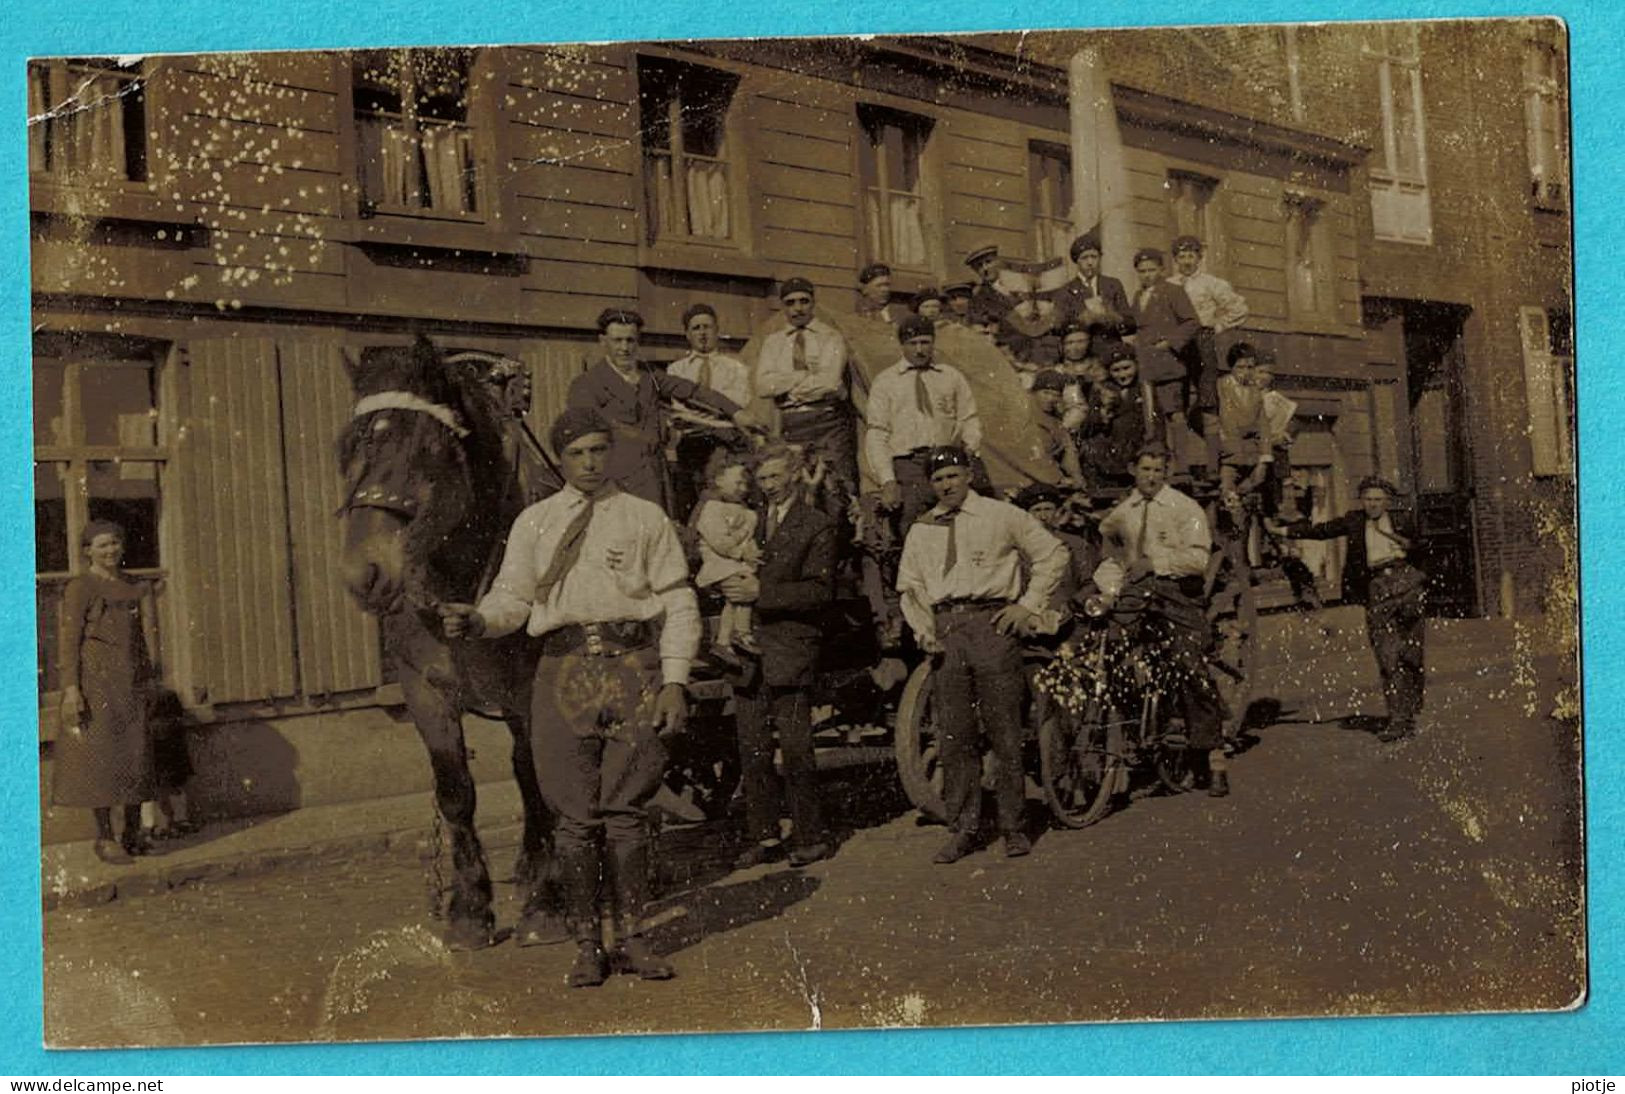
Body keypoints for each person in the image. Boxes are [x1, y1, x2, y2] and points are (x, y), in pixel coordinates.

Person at [438, 407, 698, 987]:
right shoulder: (535, 523)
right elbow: (513, 599)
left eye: (598, 451)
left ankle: (633, 937)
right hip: (562, 674)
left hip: (633, 670)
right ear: (560, 458)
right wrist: (478, 621)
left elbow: (678, 601)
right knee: (574, 821)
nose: (588, 463)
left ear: (610, 453)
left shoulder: (643, 517)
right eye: (576, 453)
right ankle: (587, 945)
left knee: (627, 813)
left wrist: (675, 679)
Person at [896, 446, 1067, 863]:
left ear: (969, 474)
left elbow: (1053, 554)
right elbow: (911, 587)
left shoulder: (1001, 515)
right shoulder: (922, 529)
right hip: (947, 631)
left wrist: (1026, 605)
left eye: (953, 476)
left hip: (992, 626)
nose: (946, 485)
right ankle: (964, 828)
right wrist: (923, 630)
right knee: (954, 735)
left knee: (1003, 730)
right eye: (938, 480)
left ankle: (1013, 827)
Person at [1093, 445, 1229, 796]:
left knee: (1189, 663)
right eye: (1145, 469)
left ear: (1166, 473)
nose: (1151, 477)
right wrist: (1110, 590)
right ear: (1133, 470)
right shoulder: (1122, 514)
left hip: (1176, 592)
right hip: (1136, 592)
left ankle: (1212, 753)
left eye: (1157, 470)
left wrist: (1157, 563)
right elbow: (1111, 559)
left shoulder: (1185, 508)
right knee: (1111, 652)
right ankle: (1135, 731)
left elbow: (1198, 559)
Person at [728, 444, 839, 871]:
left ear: (795, 475)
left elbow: (818, 592)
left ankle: (812, 835)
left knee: (795, 750)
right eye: (762, 480)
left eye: (775, 477)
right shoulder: (752, 524)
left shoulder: (815, 525)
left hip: (789, 649)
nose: (768, 486)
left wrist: (762, 594)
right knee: (752, 750)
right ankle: (765, 834)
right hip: (747, 652)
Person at [1268, 477, 1426, 742]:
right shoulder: (1354, 521)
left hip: (1408, 585)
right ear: (1361, 501)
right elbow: (1322, 531)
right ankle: (1398, 719)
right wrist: (1282, 532)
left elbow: (1423, 549)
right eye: (1368, 500)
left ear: (1387, 501)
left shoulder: (1403, 520)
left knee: (1412, 654)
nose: (1373, 505)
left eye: (1378, 500)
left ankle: (1410, 710)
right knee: (1387, 656)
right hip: (1377, 590)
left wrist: (1412, 555)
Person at [567, 308, 746, 512]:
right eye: (617, 341)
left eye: (630, 340)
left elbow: (692, 390)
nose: (625, 348)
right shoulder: (587, 384)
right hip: (616, 481)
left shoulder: (649, 375)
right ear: (603, 341)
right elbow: (590, 432)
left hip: (656, 476)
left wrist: (736, 412)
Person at [54, 520, 158, 865]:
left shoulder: (132, 587)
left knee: (135, 754)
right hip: (95, 684)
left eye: (114, 543)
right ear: (88, 552)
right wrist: (72, 690)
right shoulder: (81, 587)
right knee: (99, 758)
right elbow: (68, 642)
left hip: (131, 683)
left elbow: (142, 638)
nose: (110, 550)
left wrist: (149, 677)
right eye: (101, 546)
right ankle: (105, 837)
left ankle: (131, 832)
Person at [865, 315, 984, 530]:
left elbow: (969, 418)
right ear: (902, 345)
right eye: (912, 343)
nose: (919, 350)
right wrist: (888, 481)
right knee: (911, 526)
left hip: (946, 461)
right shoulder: (886, 381)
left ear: (933, 343)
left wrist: (970, 446)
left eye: (925, 342)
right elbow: (877, 434)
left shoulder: (951, 376)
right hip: (908, 465)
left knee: (956, 524)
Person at [754, 278, 858, 517]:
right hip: (792, 424)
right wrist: (805, 375)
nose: (798, 308)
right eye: (790, 303)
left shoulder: (831, 337)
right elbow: (762, 386)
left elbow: (831, 383)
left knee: (836, 490)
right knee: (797, 490)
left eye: (804, 301)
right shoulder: (774, 342)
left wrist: (786, 385)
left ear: (813, 303)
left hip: (828, 422)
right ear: (783, 306)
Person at [668, 303, 754, 519]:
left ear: (717, 331)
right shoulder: (676, 369)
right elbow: (678, 409)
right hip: (690, 443)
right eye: (696, 328)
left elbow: (738, 403)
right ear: (687, 334)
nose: (702, 333)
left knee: (722, 495)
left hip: (723, 443)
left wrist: (698, 412)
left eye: (707, 327)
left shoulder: (736, 368)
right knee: (690, 499)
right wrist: (718, 410)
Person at [1128, 248, 1200, 458]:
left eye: (1151, 270)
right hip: (1145, 366)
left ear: (1161, 269)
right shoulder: (1138, 295)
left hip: (1169, 366)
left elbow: (1192, 322)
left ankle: (1182, 466)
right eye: (1142, 271)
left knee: (1175, 415)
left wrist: (1170, 343)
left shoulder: (1173, 291)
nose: (1147, 275)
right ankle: (1160, 462)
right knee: (1151, 417)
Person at [691, 449, 762, 661]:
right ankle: (740, 633)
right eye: (737, 483)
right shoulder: (713, 508)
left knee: (737, 599)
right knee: (739, 593)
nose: (743, 489)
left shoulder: (746, 511)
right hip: (720, 563)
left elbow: (749, 538)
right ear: (719, 480)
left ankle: (726, 640)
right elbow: (719, 541)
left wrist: (752, 551)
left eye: (745, 485)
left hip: (736, 563)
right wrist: (741, 551)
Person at [1167, 235, 1248, 418]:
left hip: (1202, 338)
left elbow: (1239, 308)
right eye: (1182, 257)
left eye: (1191, 256)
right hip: (1176, 341)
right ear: (1175, 260)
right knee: (1177, 388)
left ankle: (1214, 434)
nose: (1186, 262)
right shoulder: (1168, 285)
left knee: (1206, 389)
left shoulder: (1211, 283)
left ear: (1198, 258)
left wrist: (1218, 326)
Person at [1079, 342, 1151, 487]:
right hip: (1111, 449)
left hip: (1136, 446)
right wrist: (1102, 414)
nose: (1123, 375)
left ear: (1136, 365)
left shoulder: (1144, 388)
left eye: (1127, 368)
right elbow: (1088, 427)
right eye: (1116, 370)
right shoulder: (1102, 390)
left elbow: (1154, 418)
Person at [1053, 231, 1134, 339]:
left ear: (1099, 258)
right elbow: (1058, 328)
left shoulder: (1113, 285)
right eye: (1085, 258)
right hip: (1083, 351)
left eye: (1094, 257)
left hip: (1111, 347)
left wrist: (1112, 316)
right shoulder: (1065, 291)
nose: (1090, 262)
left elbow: (1131, 325)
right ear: (1077, 261)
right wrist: (1082, 320)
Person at [1216, 342, 1272, 497]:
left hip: (1251, 459)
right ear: (1231, 367)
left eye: (1250, 367)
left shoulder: (1255, 391)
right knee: (1227, 501)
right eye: (1240, 367)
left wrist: (1264, 460)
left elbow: (1264, 425)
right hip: (1227, 457)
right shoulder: (1220, 387)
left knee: (1250, 505)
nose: (1246, 372)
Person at [1029, 369, 1084, 486]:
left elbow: (1068, 449)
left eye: (1056, 395)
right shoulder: (1024, 413)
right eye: (1046, 392)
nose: (1050, 399)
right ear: (1034, 392)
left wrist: (1077, 476)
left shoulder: (1054, 418)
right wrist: (1058, 478)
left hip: (1049, 473)